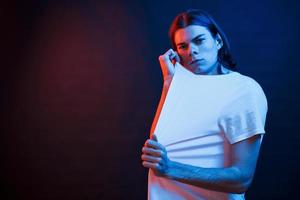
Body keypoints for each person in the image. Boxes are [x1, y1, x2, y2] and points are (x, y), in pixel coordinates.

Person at [141, 9, 268, 200]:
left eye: (199, 40)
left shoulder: (242, 90)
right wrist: (169, 82)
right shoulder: (179, 89)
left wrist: (171, 169)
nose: (191, 51)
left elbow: (241, 179)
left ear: (217, 42)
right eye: (183, 46)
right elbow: (157, 147)